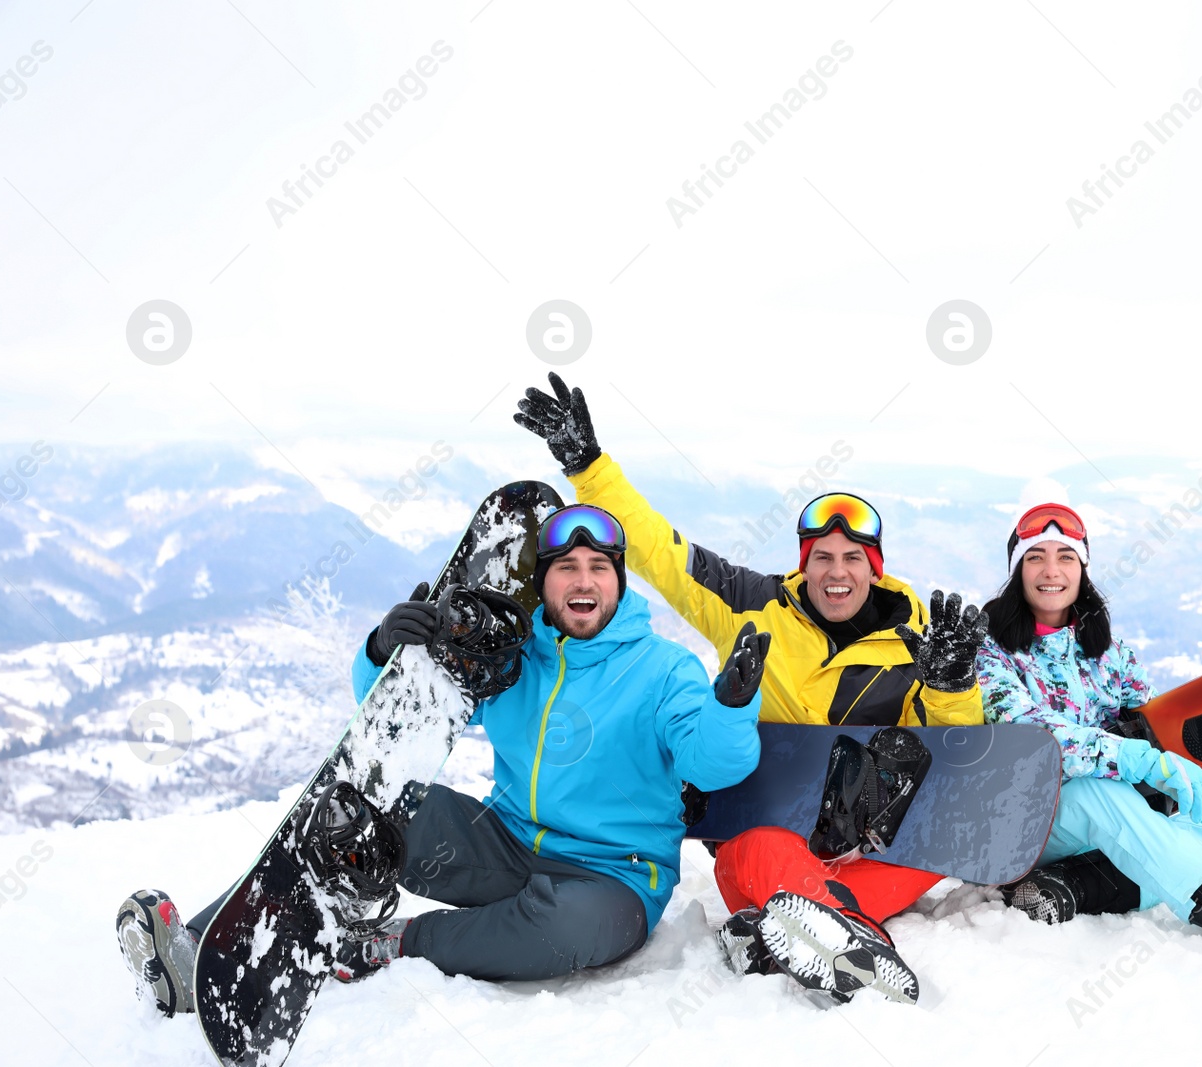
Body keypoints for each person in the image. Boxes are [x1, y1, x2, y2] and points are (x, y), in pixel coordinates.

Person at [115, 503, 768, 1016]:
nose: (584, 580)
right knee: (360, 807)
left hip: (611, 879)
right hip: (503, 844)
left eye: (600, 566)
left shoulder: (663, 669)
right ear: (543, 583)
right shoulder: (517, 656)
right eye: (567, 567)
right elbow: (400, 721)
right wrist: (384, 652)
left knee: (567, 926)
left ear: (618, 583)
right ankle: (198, 949)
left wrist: (732, 706)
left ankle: (395, 940)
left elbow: (712, 764)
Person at [514, 373, 991, 1005]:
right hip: (770, 844)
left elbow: (955, 746)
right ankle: (836, 940)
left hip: (867, 851)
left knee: (931, 846)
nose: (837, 571)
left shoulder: (920, 637)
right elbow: (660, 551)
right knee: (758, 852)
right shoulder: (749, 603)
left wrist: (953, 684)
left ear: (875, 570)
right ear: (804, 563)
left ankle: (780, 933)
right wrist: (588, 467)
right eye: (822, 556)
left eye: (854, 558)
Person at [974, 498, 1202, 951]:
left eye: (1065, 557)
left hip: (1090, 824)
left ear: (1082, 569)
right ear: (1018, 572)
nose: (1050, 571)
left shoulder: (1110, 655)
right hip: (1016, 821)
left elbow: (1163, 738)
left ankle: (1072, 888)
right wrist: (1133, 759)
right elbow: (1032, 739)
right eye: (1035, 558)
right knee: (1099, 793)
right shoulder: (988, 649)